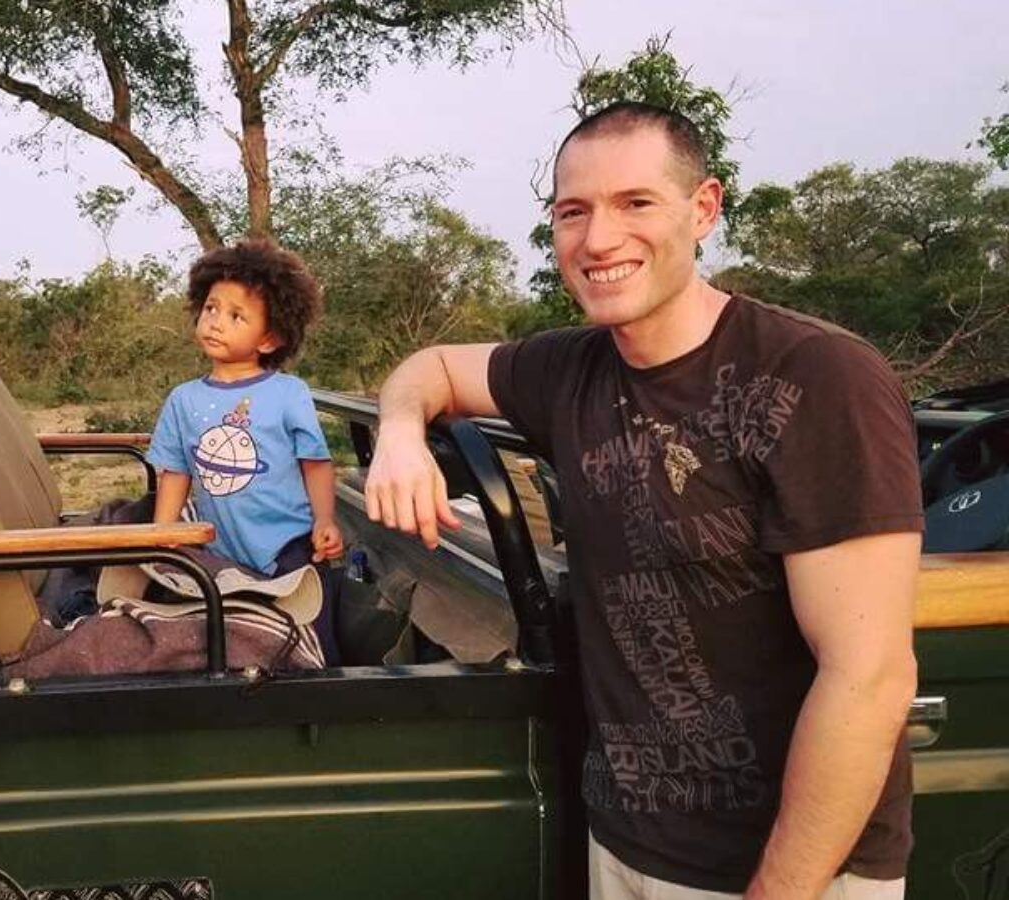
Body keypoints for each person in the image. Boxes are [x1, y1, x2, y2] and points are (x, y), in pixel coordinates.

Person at [365, 101, 921, 900]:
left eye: (636, 203)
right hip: (627, 842)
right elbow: (435, 368)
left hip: (794, 867)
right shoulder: (572, 370)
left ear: (704, 209)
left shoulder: (816, 377)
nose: (598, 239)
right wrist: (399, 432)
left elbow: (867, 679)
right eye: (572, 212)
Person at [148, 239, 343, 583]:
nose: (216, 322)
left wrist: (325, 520)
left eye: (236, 316)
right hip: (221, 551)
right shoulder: (183, 399)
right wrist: (162, 536)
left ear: (268, 339)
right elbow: (176, 472)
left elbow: (315, 464)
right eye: (211, 308)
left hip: (292, 545)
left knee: (309, 618)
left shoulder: (288, 393)